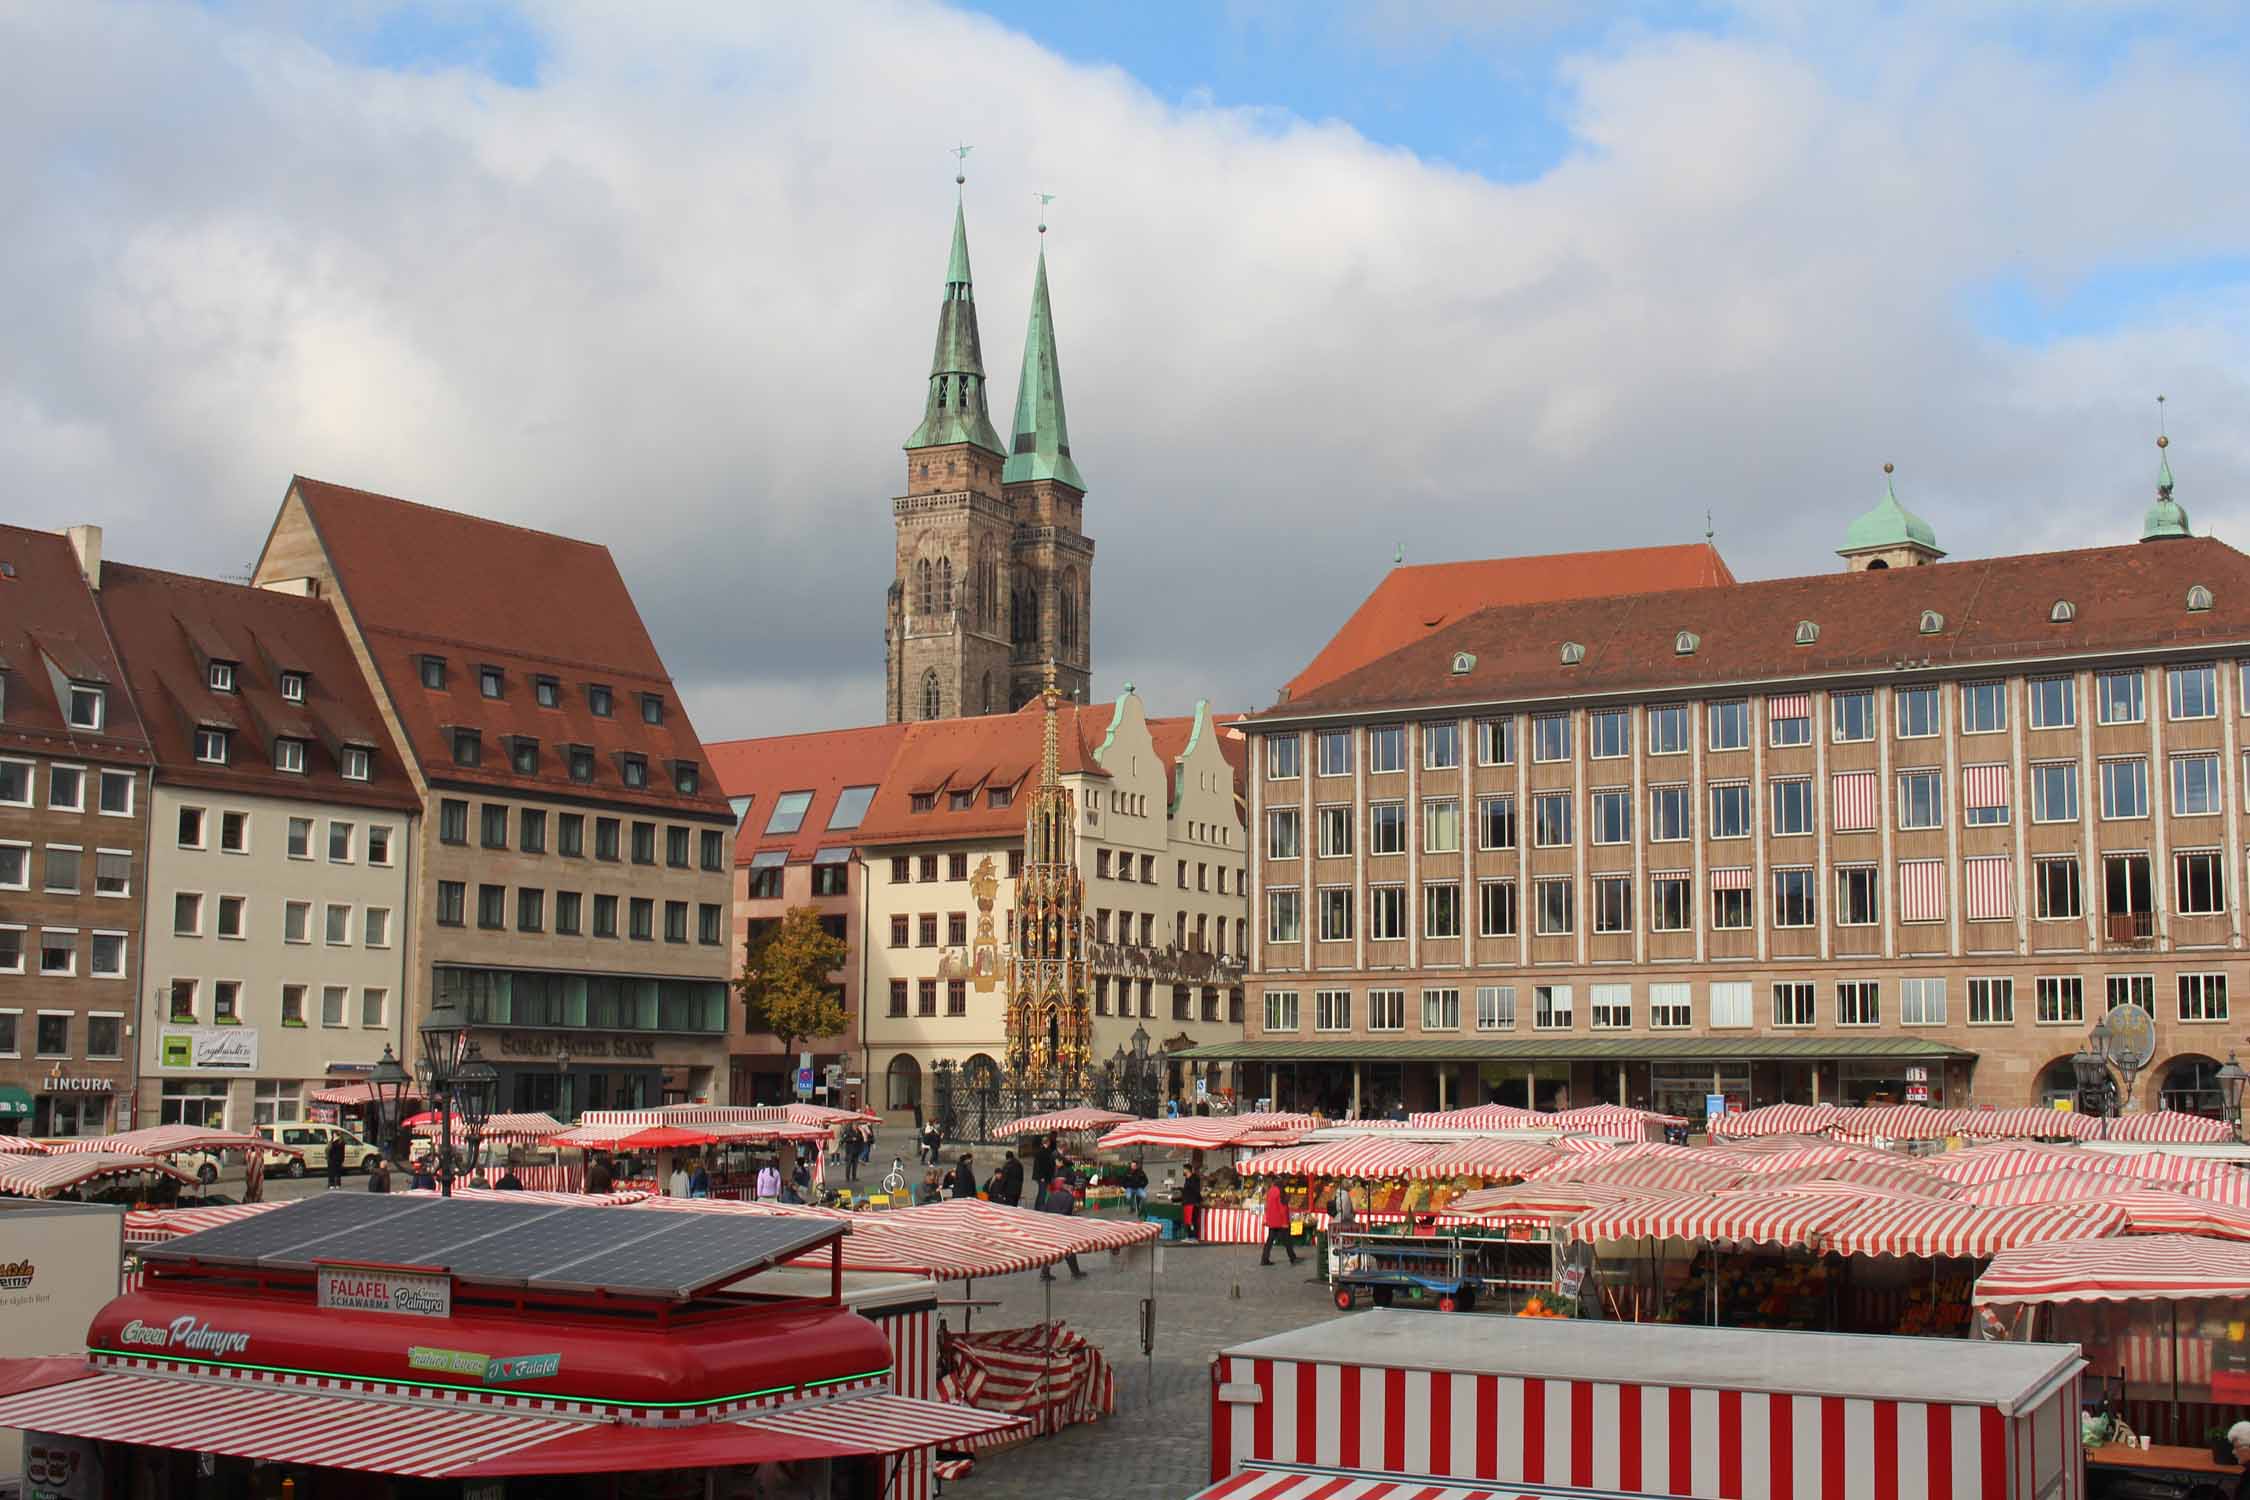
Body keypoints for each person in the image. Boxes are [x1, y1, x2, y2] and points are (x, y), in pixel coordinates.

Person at [1038, 1176, 1087, 1280]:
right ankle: (1075, 1273)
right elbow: (1066, 1214)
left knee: (1050, 1250)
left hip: (1050, 1226)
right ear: (1069, 1187)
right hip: (1061, 1228)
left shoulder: (1052, 1195)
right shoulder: (1069, 1198)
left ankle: (1044, 1273)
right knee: (1069, 1250)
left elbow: (1045, 1210)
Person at [1260, 1177, 1300, 1267]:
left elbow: (1268, 1206)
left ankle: (1264, 1258)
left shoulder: (1270, 1191)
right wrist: (1285, 1222)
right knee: (1287, 1240)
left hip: (1272, 1220)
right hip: (1280, 1221)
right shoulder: (1281, 1191)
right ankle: (1292, 1258)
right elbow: (1283, 1208)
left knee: (1269, 1240)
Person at [1180, 1163, 1203, 1241]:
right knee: (1188, 1221)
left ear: (1187, 1170)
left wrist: (1197, 1200)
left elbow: (1196, 1191)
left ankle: (1194, 1237)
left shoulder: (1194, 1178)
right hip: (1186, 1202)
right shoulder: (1187, 1179)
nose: (1183, 1171)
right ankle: (1189, 1236)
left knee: (1193, 1220)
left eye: (1184, 1169)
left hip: (1192, 1203)